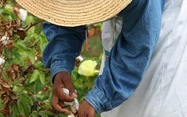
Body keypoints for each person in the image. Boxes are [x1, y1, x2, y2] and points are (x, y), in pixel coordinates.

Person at [16, 0, 187, 117]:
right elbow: (64, 10)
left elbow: (138, 44)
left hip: (161, 31)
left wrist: (99, 97)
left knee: (155, 109)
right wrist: (60, 64)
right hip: (126, 23)